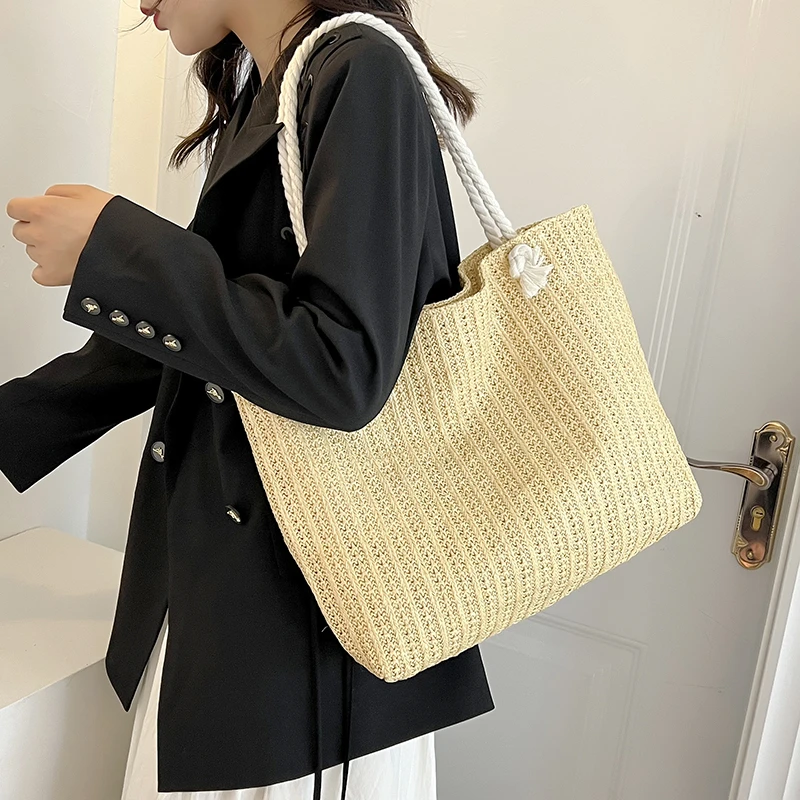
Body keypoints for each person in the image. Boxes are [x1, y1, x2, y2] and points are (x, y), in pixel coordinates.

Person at [2, 2, 496, 798]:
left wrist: (117, 247)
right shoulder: (280, 86)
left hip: (311, 645)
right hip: (248, 610)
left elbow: (343, 366)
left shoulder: (362, 70)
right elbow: (210, 334)